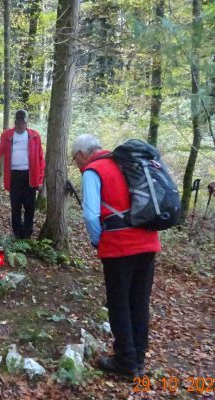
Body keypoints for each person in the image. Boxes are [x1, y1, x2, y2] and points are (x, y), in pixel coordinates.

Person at [71, 134, 161, 378]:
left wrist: (97, 240)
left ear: (82, 154)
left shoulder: (93, 170)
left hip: (120, 246)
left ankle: (125, 361)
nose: (76, 164)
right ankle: (138, 358)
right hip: (148, 242)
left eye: (74, 159)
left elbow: (90, 215)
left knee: (119, 302)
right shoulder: (127, 163)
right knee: (139, 302)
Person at [0, 109, 45, 239]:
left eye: (23, 122)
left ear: (27, 123)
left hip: (30, 176)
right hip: (14, 176)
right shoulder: (7, 135)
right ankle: (17, 234)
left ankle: (27, 235)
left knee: (29, 207)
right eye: (18, 122)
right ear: (15, 122)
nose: (20, 125)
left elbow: (40, 158)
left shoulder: (35, 136)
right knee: (15, 206)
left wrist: (40, 179)